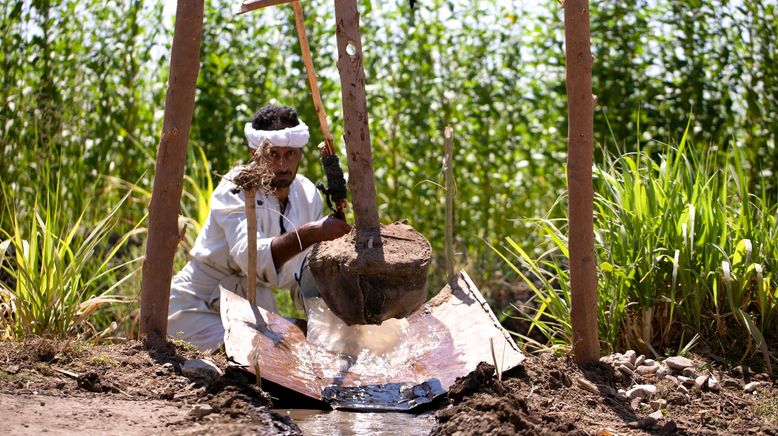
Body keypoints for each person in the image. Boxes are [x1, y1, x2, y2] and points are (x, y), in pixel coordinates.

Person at [167, 104, 351, 352]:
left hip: (254, 308)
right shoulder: (236, 187)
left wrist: (337, 317)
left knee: (311, 345)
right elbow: (249, 257)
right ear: (256, 152)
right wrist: (311, 233)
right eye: (273, 154)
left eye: (290, 154)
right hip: (197, 306)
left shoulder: (308, 196)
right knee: (261, 354)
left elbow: (305, 281)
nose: (283, 165)